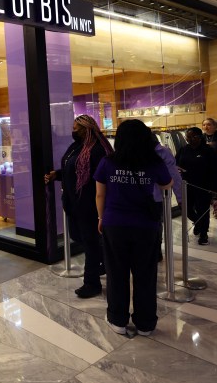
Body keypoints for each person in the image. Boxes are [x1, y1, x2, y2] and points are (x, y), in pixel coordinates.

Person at [94, 119, 172, 337]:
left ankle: (118, 320)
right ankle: (146, 323)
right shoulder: (154, 162)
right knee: (145, 274)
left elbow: (100, 194)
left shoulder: (108, 162)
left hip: (114, 223)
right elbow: (167, 184)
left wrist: (101, 217)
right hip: (146, 225)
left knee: (116, 272)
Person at [44, 115, 113, 298]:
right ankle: (104, 261)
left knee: (90, 243)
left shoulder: (98, 150)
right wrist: (56, 175)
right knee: (79, 236)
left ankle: (92, 283)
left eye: (77, 128)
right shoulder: (77, 146)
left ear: (86, 129)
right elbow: (71, 168)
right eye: (73, 128)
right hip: (73, 202)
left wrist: (101, 209)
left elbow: (103, 179)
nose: (73, 131)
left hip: (89, 205)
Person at [175, 127, 217, 245]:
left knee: (203, 209)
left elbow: (215, 169)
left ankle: (204, 234)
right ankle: (198, 222)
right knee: (186, 208)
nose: (191, 139)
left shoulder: (208, 150)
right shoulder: (183, 149)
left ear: (200, 137)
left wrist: (214, 187)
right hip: (186, 185)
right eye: (188, 137)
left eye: (194, 137)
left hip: (203, 185)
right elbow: (175, 164)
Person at [153, 133, 182, 261]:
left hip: (136, 199)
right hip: (157, 196)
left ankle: (153, 250)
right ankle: (156, 251)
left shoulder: (126, 153)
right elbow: (174, 175)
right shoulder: (163, 151)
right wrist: (180, 198)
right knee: (155, 224)